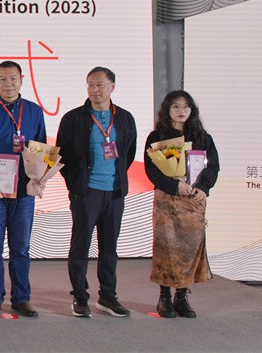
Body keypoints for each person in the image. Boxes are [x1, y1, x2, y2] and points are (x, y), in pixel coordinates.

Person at [56, 66, 137, 318]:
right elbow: (62, 156)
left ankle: (108, 296)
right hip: (86, 192)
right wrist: (75, 185)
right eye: (90, 84)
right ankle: (80, 297)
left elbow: (129, 153)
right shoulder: (73, 118)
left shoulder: (125, 118)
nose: (94, 89)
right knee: (80, 246)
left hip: (114, 192)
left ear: (112, 87)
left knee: (109, 247)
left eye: (100, 84)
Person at [0, 61, 46, 318]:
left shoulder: (34, 111)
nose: (8, 84)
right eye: (2, 79)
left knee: (21, 247)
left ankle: (21, 298)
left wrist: (40, 177)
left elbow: (41, 149)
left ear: (22, 79)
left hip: (23, 193)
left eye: (13, 78)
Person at [144, 90, 219, 318]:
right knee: (166, 248)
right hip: (167, 201)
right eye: (176, 106)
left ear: (192, 110)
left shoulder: (203, 137)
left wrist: (203, 188)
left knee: (188, 250)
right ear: (167, 110)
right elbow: (151, 170)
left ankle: (182, 296)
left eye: (186, 106)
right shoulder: (158, 137)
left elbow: (212, 166)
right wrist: (174, 186)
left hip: (193, 201)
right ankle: (164, 297)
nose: (181, 110)